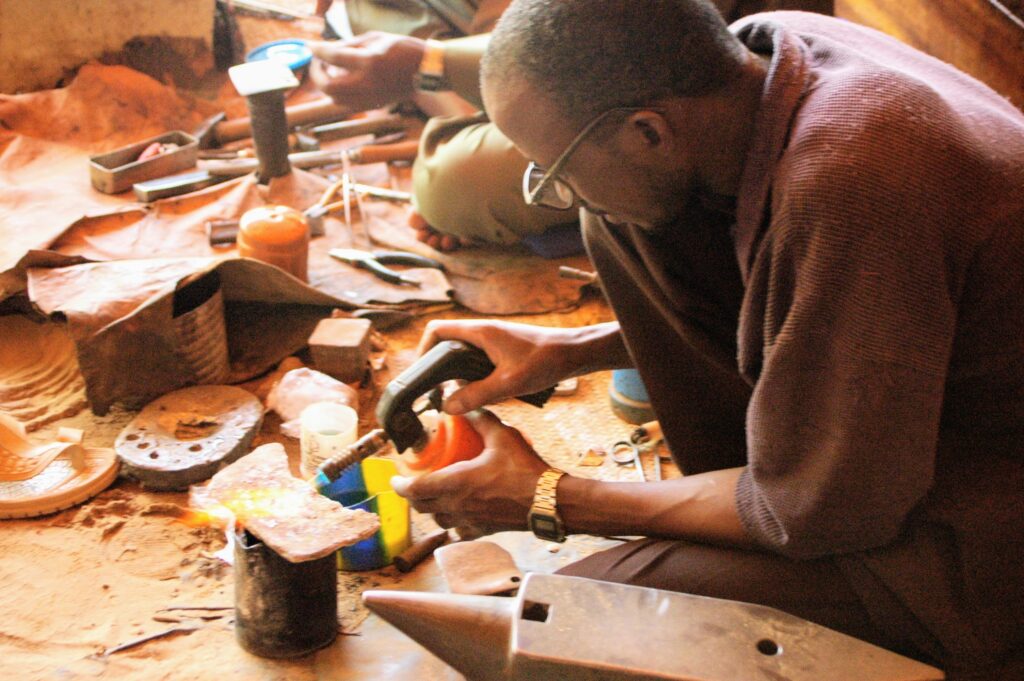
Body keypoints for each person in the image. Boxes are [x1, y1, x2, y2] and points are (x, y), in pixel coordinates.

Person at [386, 1, 1024, 679]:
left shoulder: (858, 187)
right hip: (907, 401)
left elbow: (825, 512)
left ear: (647, 132)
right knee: (622, 217)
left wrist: (547, 495)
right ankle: (752, 488)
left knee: (588, 624)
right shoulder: (758, 56)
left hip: (989, 516)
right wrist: (571, 350)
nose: (557, 195)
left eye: (557, 169)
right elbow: (816, 305)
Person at [309, 0, 833, 250]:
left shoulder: (835, 200)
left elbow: (812, 472)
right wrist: (574, 351)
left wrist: (431, 65)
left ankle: (484, 109)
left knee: (452, 185)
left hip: (658, 51)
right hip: (600, 52)